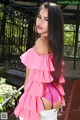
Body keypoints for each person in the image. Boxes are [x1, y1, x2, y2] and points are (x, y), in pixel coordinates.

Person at [14, 2, 65, 120]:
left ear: (54, 24)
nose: (40, 22)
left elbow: (30, 78)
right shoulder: (54, 44)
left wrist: (24, 101)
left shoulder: (40, 43)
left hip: (39, 98)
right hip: (53, 97)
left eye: (46, 19)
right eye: (39, 17)